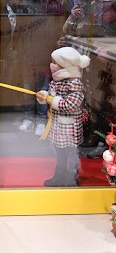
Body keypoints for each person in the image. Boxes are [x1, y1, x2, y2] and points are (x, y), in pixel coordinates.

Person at [36, 47, 91, 187]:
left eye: (55, 63)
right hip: (58, 125)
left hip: (69, 127)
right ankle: (59, 175)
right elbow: (50, 94)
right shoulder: (56, 81)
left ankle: (72, 177)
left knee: (71, 152)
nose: (52, 65)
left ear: (65, 65)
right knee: (59, 152)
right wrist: (43, 96)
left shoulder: (75, 84)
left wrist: (50, 100)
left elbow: (70, 104)